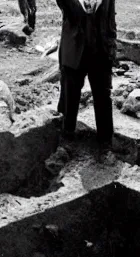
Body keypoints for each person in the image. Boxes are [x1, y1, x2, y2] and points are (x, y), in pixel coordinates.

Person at [56, 0, 116, 164]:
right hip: (74, 49)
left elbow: (110, 18)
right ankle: (66, 139)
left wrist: (111, 47)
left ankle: (105, 144)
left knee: (103, 97)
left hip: (100, 50)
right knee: (70, 96)